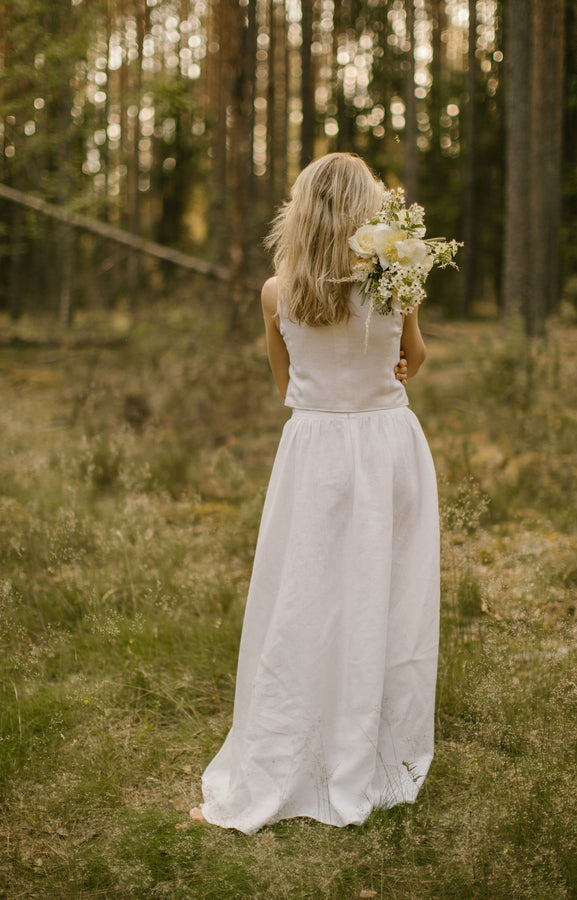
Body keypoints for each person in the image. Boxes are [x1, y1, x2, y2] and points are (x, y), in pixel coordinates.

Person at [190, 153, 439, 834]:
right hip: (389, 450)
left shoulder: (279, 293)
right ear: (368, 212)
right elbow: (413, 360)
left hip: (316, 453)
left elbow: (286, 385)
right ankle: (370, 747)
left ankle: (293, 747)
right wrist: (384, 367)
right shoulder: (397, 281)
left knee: (305, 597)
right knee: (382, 597)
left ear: (300, 211)